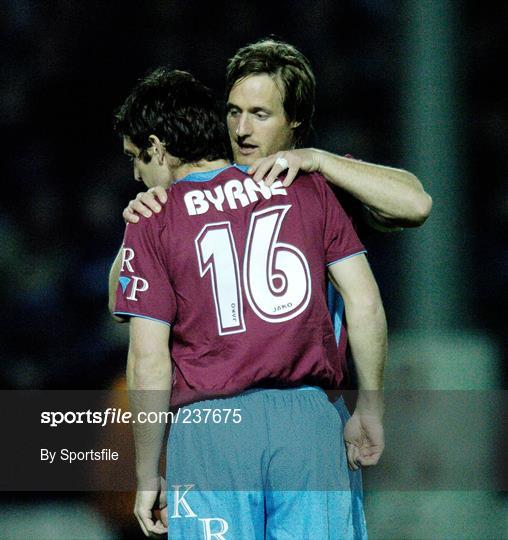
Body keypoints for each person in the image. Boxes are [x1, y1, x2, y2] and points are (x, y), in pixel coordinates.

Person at [112, 67, 387, 539]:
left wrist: (146, 474)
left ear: (158, 147)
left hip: (209, 429)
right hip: (308, 423)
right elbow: (364, 302)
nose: (137, 174)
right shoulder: (303, 184)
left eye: (136, 158)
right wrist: (371, 406)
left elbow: (149, 359)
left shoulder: (152, 220)